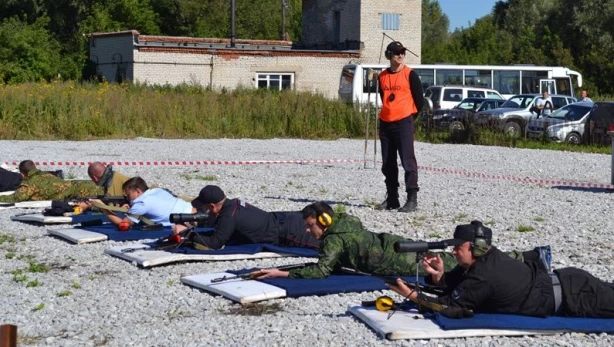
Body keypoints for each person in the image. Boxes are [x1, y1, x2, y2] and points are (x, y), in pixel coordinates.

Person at [390, 221, 614, 318]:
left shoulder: (484, 275)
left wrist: (412, 296)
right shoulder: (486, 260)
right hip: (570, 282)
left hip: (577, 297)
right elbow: (458, 286)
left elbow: (450, 307)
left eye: (459, 247)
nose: (455, 251)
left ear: (477, 248)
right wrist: (439, 277)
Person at [258, 202, 534, 280]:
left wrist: (282, 272)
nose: (308, 232)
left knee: (458, 265)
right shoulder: (345, 222)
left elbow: (320, 271)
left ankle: (523, 259)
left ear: (323, 222)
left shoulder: (333, 241)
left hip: (396, 260)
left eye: (310, 226)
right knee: (455, 259)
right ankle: (521, 258)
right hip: (391, 244)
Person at [174, 185, 319, 250]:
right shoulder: (233, 204)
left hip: (285, 232)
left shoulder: (228, 215)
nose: (203, 210)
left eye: (204, 207)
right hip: (282, 218)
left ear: (212, 206)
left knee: (324, 242)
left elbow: (215, 243)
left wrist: (186, 234)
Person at [375, 41, 424, 213]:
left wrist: (409, 117)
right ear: (390, 55)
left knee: (408, 161)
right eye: (397, 53)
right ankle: (392, 198)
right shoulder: (382, 76)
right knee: (388, 162)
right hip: (386, 123)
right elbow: (383, 97)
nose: (401, 56)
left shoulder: (410, 74)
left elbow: (420, 101)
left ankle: (412, 198)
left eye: (402, 52)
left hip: (404, 122)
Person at [98, 176, 194, 227]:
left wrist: (103, 208)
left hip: (188, 221)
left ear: (138, 191)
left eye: (129, 195)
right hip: (192, 209)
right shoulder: (157, 190)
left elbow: (123, 224)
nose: (128, 198)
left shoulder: (141, 204)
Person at [0, 160, 103, 203]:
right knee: (108, 191)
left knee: (105, 198)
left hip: (79, 193)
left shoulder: (29, 184)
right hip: (80, 184)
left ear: (23, 174)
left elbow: (14, 198)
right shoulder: (46, 174)